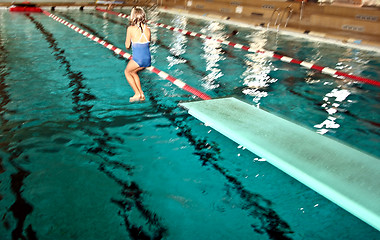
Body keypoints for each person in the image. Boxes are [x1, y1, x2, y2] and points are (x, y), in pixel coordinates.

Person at [124, 7, 151, 102]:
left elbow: (127, 45)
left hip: (138, 59)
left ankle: (136, 94)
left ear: (133, 16)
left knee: (127, 72)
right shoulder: (147, 29)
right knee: (133, 72)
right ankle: (141, 94)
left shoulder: (131, 28)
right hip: (147, 59)